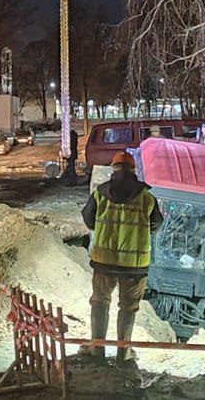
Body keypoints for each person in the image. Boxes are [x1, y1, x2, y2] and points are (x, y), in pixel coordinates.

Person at [80, 151, 163, 364]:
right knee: (128, 308)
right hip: (134, 266)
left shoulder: (100, 194)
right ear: (134, 170)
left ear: (113, 169)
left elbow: (88, 219)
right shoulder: (147, 198)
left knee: (100, 302)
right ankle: (123, 352)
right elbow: (156, 226)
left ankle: (97, 350)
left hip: (104, 262)